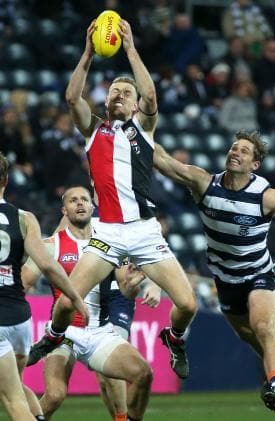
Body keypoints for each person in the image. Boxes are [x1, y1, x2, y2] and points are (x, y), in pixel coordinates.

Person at [28, 17, 197, 387]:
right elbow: (73, 98)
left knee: (188, 305)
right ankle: (54, 336)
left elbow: (152, 96)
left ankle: (175, 338)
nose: (120, 95)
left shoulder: (145, 130)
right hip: (107, 231)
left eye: (126, 92)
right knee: (69, 298)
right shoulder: (94, 130)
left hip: (144, 231)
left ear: (136, 105)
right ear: (106, 100)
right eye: (115, 91)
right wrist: (88, 53)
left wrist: (131, 49)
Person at [152, 130, 275, 420]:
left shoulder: (266, 195)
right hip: (225, 280)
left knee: (264, 327)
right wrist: (134, 129)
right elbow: (163, 161)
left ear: (255, 164)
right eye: (233, 148)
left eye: (243, 150)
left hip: (259, 274)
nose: (235, 152)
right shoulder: (204, 182)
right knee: (249, 335)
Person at [23, 185, 161, 421]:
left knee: (143, 374)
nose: (79, 203)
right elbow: (24, 281)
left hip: (100, 332)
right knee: (55, 395)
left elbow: (125, 288)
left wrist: (134, 284)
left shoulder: (110, 242)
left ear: (92, 206)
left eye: (84, 199)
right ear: (63, 210)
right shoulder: (50, 245)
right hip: (63, 333)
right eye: (73, 200)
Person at [0, 152, 88, 421]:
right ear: (5, 180)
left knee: (11, 399)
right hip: (20, 320)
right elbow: (49, 266)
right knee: (16, 385)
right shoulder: (24, 218)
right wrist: (77, 298)